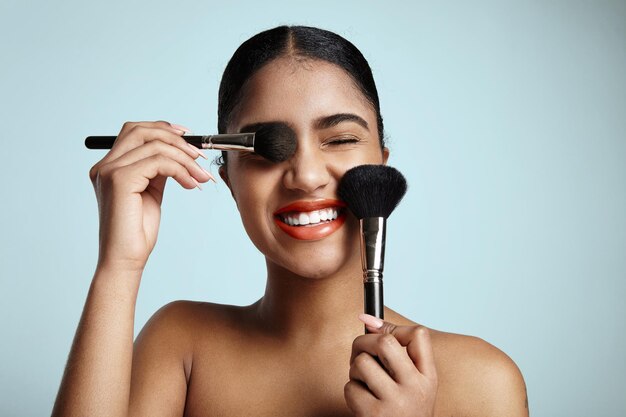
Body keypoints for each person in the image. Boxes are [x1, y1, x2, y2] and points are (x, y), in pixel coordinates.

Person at [52, 25, 528, 417]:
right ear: (228, 176)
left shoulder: (481, 383)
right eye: (264, 148)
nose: (305, 176)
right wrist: (119, 265)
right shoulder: (181, 344)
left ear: (383, 166)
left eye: (339, 140)